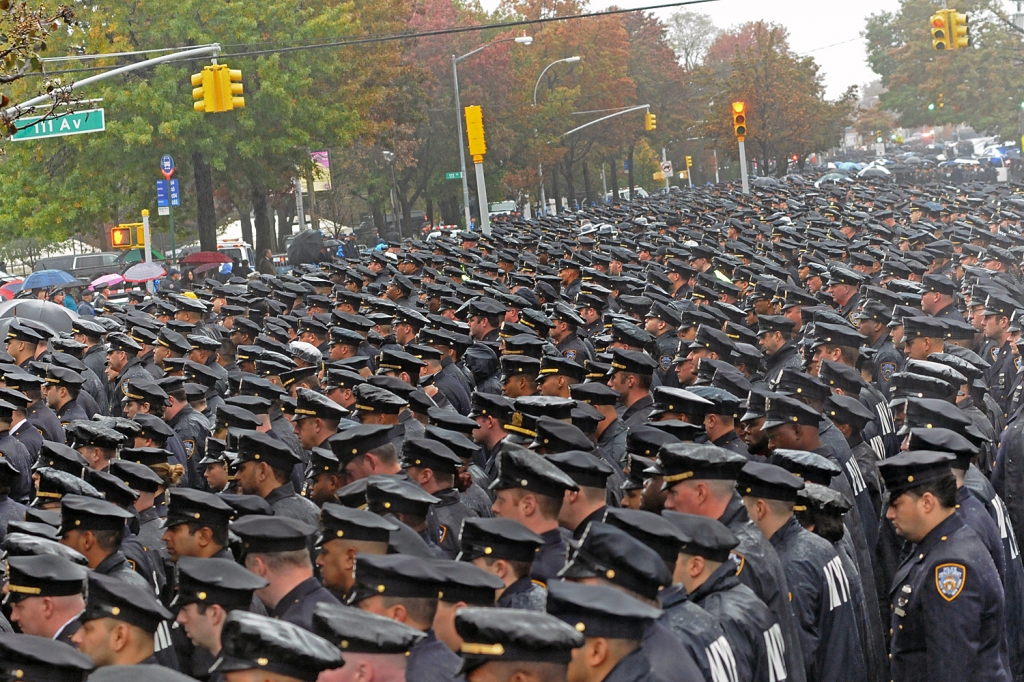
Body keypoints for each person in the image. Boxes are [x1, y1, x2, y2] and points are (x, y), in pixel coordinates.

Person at [878, 450, 1010, 682]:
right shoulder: (940, 543)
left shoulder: (951, 566)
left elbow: (951, 668)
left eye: (896, 504)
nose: (890, 514)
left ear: (927, 502)